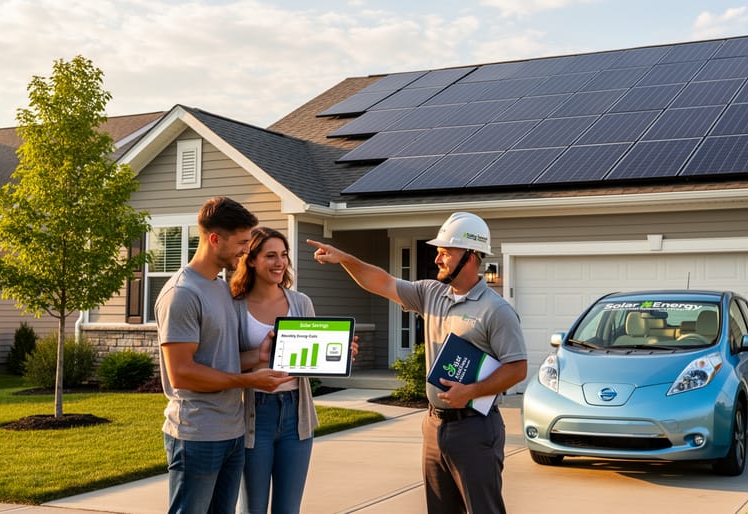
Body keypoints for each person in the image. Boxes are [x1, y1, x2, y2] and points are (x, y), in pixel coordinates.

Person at [308, 211, 527, 514]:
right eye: (438, 252)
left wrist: (470, 391)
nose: (437, 259)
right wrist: (345, 258)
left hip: (475, 428)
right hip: (435, 425)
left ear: (472, 255)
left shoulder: (496, 310)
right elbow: (381, 282)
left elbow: (517, 368)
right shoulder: (430, 293)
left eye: (446, 252)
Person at [155, 197, 294, 514]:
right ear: (215, 239)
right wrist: (246, 379)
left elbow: (221, 360)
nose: (247, 250)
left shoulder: (219, 288)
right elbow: (183, 373)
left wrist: (257, 356)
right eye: (242, 242)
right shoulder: (182, 294)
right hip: (197, 434)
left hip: (233, 432)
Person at [228, 227, 318, 514]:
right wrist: (257, 356)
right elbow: (223, 362)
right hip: (254, 416)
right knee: (252, 508)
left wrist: (340, 354)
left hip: (296, 415)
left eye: (284, 255)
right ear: (251, 260)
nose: (280, 262)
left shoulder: (300, 303)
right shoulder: (235, 306)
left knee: (288, 510)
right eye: (270, 255)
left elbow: (312, 360)